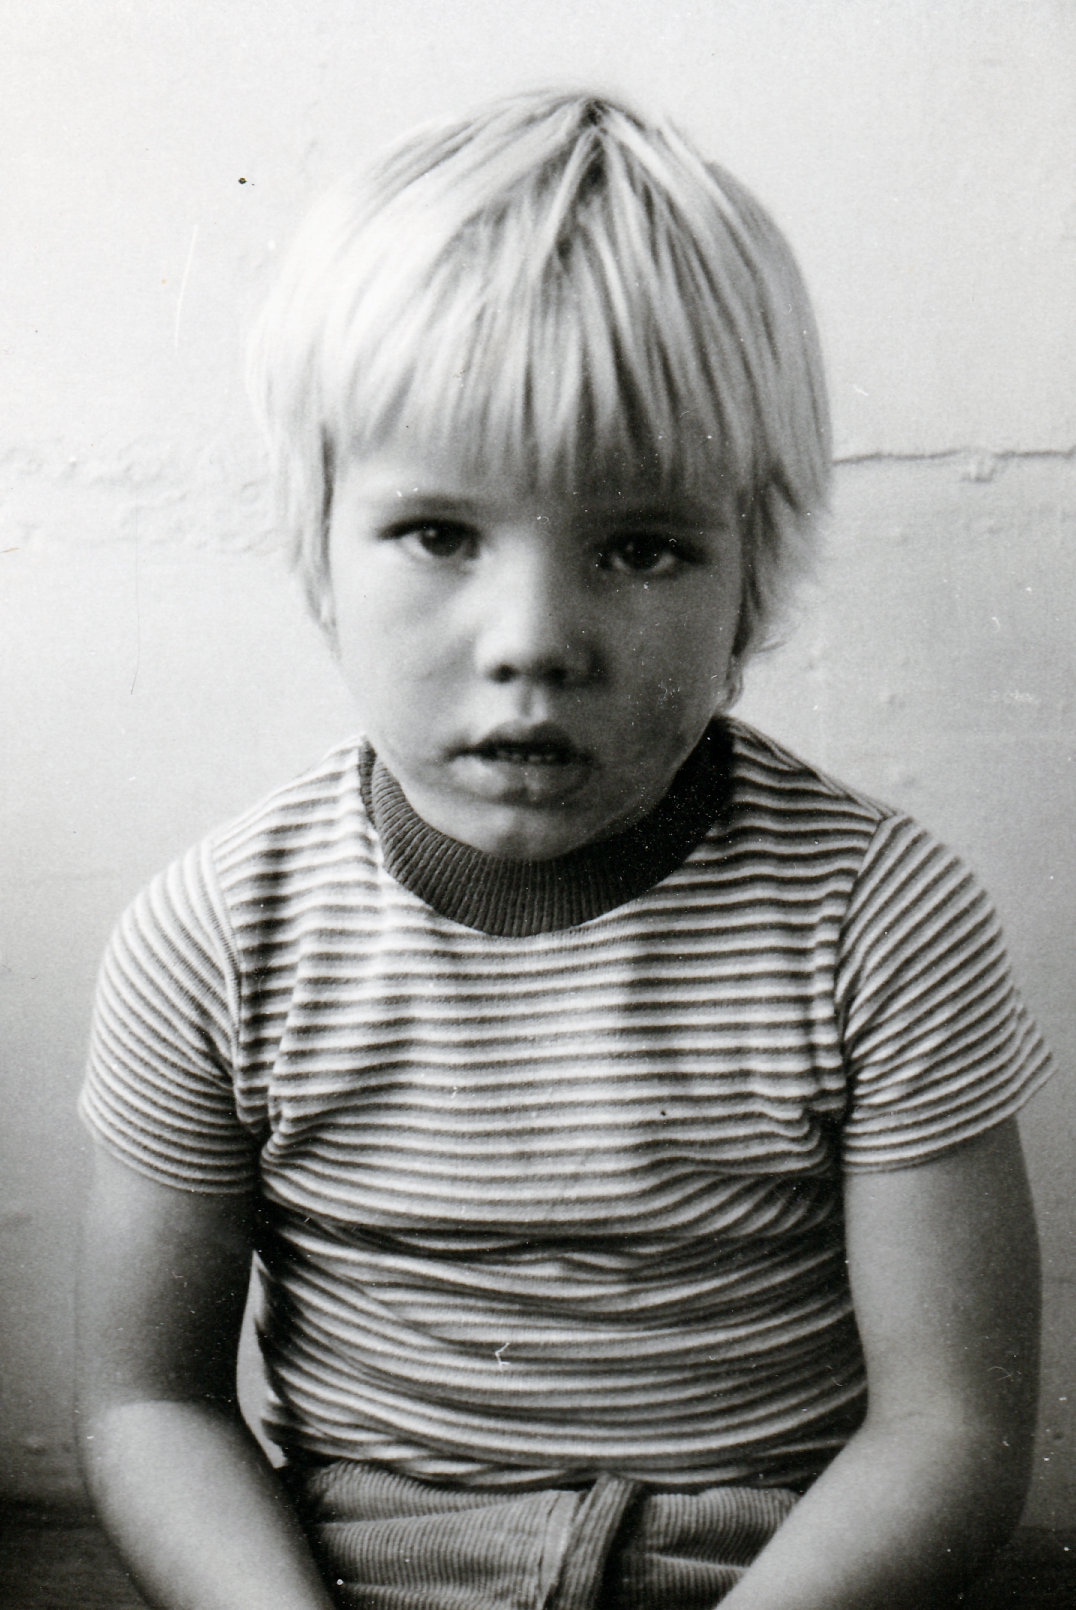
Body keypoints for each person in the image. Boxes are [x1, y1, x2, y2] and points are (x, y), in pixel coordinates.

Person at [76, 90, 1052, 1610]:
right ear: (317, 544)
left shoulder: (877, 920)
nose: (532, 640)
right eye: (440, 534)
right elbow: (150, 1404)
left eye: (640, 547)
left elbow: (951, 1427)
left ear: (753, 579)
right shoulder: (215, 936)